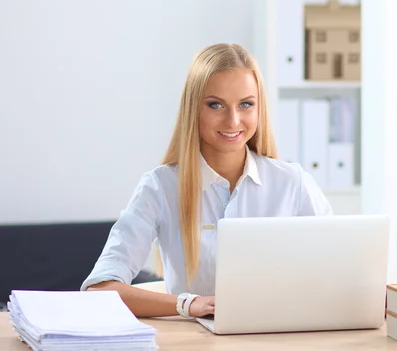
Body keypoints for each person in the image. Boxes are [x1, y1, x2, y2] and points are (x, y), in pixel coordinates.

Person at [81, 43, 332, 319]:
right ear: (194, 109)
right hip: (195, 348)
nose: (233, 120)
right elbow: (101, 289)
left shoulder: (292, 183)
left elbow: (337, 269)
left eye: (246, 104)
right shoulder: (160, 187)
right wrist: (188, 304)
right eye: (216, 105)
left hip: (278, 338)